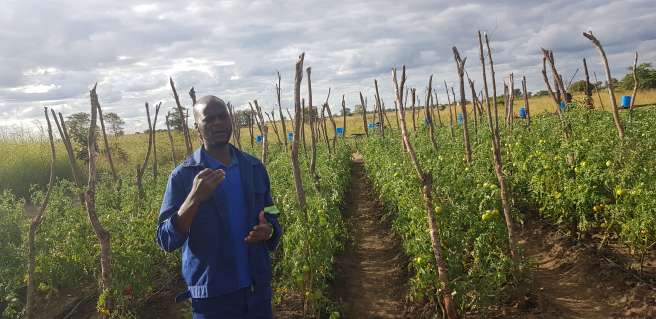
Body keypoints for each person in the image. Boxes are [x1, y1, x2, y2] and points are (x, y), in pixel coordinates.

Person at [156, 95, 282, 319]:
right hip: (212, 299)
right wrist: (193, 199)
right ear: (197, 127)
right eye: (209, 119)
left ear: (230, 120)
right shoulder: (183, 176)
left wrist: (269, 230)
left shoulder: (253, 167)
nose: (217, 123)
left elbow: (271, 211)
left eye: (222, 117)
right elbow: (165, 240)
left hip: (257, 291)